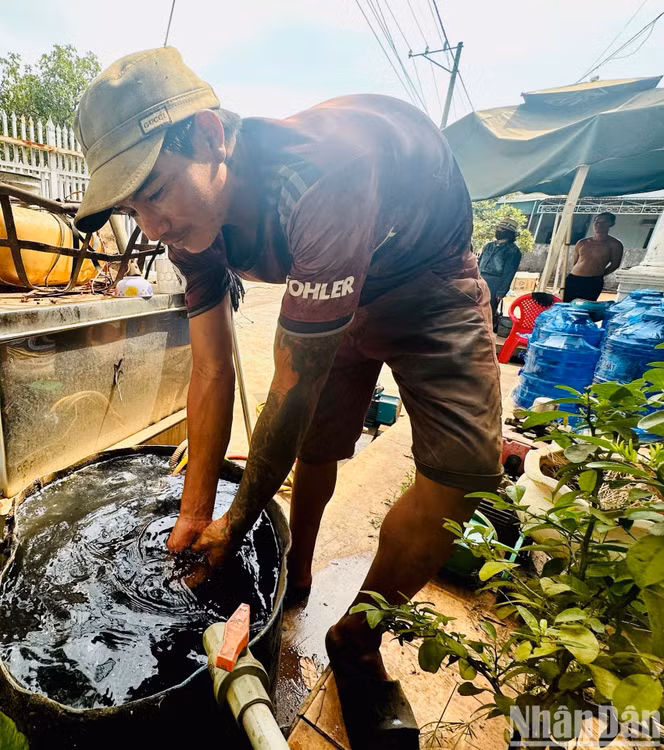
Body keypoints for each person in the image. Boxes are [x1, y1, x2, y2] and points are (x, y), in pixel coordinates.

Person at [72, 48, 502, 749]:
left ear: (210, 136)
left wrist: (236, 521)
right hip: (328, 288)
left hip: (424, 275)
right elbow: (211, 368)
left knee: (464, 476)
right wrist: (193, 513)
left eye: (153, 191)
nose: (149, 226)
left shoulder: (322, 172)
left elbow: (290, 383)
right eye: (130, 207)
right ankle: (298, 570)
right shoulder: (189, 229)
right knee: (315, 444)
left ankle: (357, 641)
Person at [564, 212, 623, 302]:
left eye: (603, 222)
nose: (598, 225)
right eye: (596, 221)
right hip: (573, 278)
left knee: (585, 307)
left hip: (593, 281)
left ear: (611, 224)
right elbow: (576, 262)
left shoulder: (614, 245)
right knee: (565, 304)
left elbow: (615, 264)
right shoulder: (582, 242)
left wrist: (598, 275)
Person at [478, 219, 523, 332]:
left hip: (495, 282)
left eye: (502, 229)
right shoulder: (489, 246)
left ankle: (485, 333)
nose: (498, 230)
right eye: (498, 228)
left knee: (488, 309)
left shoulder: (513, 250)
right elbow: (479, 263)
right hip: (480, 278)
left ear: (509, 232)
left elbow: (509, 272)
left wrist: (501, 291)